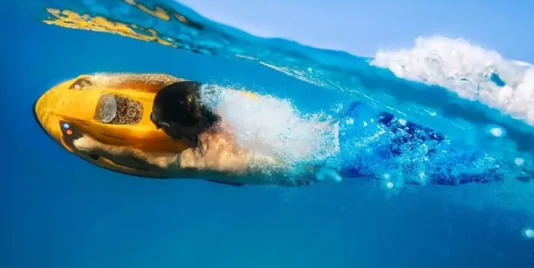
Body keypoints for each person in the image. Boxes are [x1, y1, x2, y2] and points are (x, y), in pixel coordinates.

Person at [33, 72, 501, 187]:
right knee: (450, 132)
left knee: (481, 165)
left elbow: (147, 160)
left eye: (163, 122)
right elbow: (174, 84)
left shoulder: (208, 157)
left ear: (184, 127)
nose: (155, 125)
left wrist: (88, 143)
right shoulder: (226, 103)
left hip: (356, 155)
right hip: (352, 120)